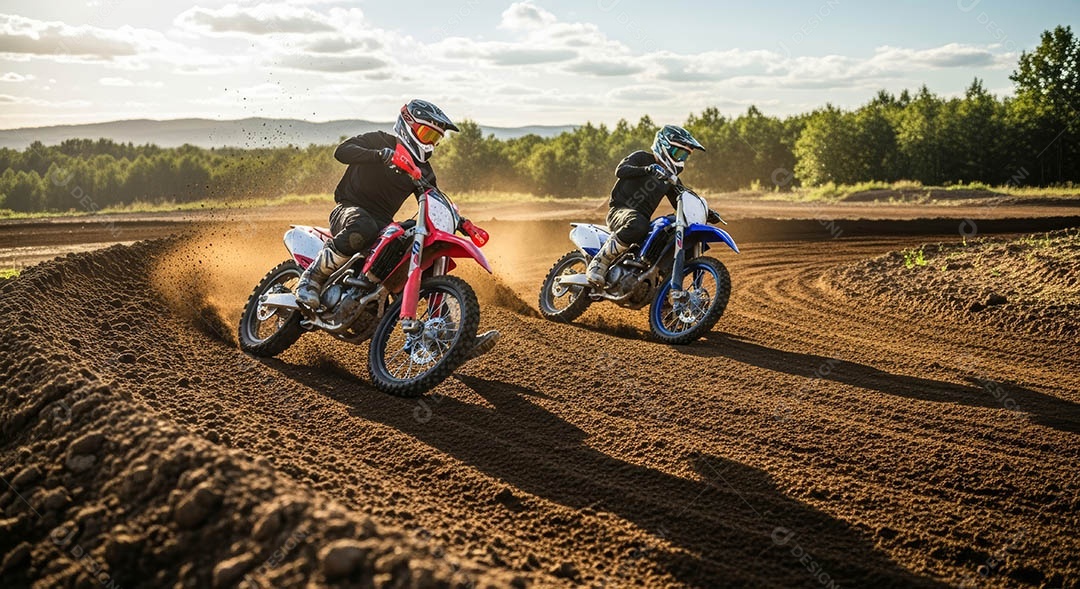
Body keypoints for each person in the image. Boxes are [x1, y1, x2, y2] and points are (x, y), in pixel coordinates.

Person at [295, 99, 458, 308]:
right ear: (409, 125)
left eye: (435, 139)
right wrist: (379, 155)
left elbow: (434, 199)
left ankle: (447, 328)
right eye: (427, 134)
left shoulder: (423, 169)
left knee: (413, 240)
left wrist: (459, 220)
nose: (430, 143)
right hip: (349, 209)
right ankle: (311, 279)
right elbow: (342, 151)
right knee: (363, 227)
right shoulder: (380, 140)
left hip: (383, 223)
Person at [585, 124, 708, 287]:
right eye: (678, 153)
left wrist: (706, 211)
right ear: (664, 146)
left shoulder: (670, 179)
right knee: (638, 223)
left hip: (640, 220)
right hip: (620, 211)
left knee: (670, 229)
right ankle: (599, 262)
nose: (680, 159)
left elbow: (682, 199)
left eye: (684, 156)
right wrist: (648, 169)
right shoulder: (642, 158)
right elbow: (621, 171)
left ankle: (662, 290)